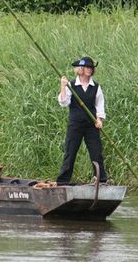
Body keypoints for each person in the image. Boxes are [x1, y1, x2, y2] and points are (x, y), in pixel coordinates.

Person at [56, 56, 108, 184]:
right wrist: (63, 87)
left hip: (91, 125)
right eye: (87, 67)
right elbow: (63, 102)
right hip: (76, 125)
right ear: (81, 69)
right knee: (70, 151)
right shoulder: (71, 85)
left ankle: (101, 181)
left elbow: (99, 104)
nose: (90, 70)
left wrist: (99, 119)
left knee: (96, 153)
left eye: (91, 68)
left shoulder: (96, 87)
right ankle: (63, 181)